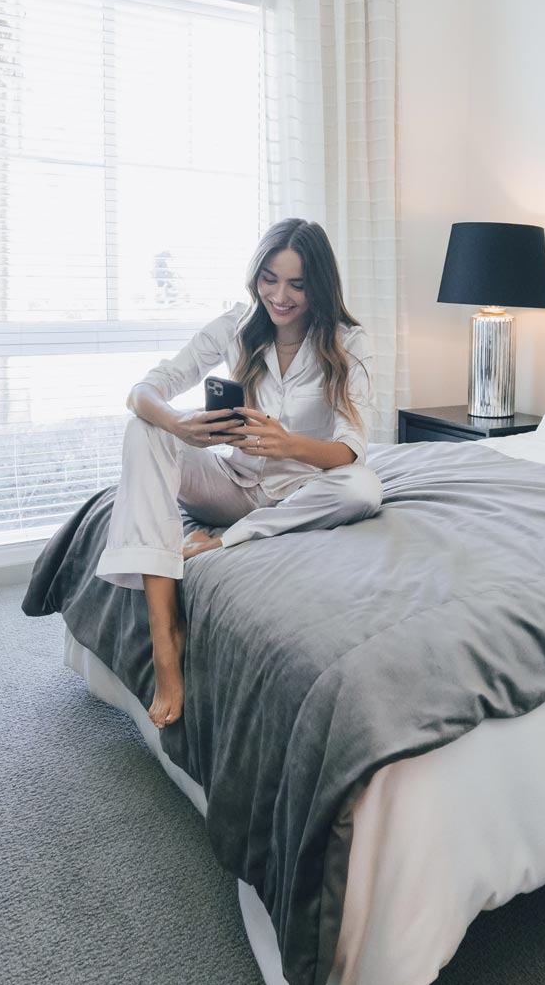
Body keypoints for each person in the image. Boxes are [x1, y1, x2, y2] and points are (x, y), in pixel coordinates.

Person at [95, 218, 384, 728]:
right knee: (144, 430)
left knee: (364, 487)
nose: (281, 295)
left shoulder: (348, 343)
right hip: (231, 486)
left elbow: (349, 451)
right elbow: (143, 390)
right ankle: (166, 639)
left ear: (319, 284)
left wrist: (289, 444)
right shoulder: (235, 326)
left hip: (301, 494)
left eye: (297, 283)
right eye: (270, 278)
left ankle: (228, 542)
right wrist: (180, 423)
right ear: (256, 277)